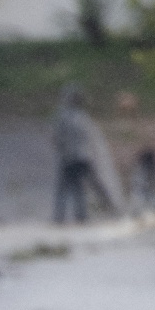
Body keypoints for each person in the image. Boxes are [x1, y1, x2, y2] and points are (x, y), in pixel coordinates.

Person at [53, 84, 96, 225]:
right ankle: (81, 216)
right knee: (78, 187)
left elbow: (58, 138)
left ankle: (60, 216)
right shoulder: (83, 117)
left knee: (64, 187)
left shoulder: (63, 116)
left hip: (69, 156)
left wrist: (62, 151)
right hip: (82, 157)